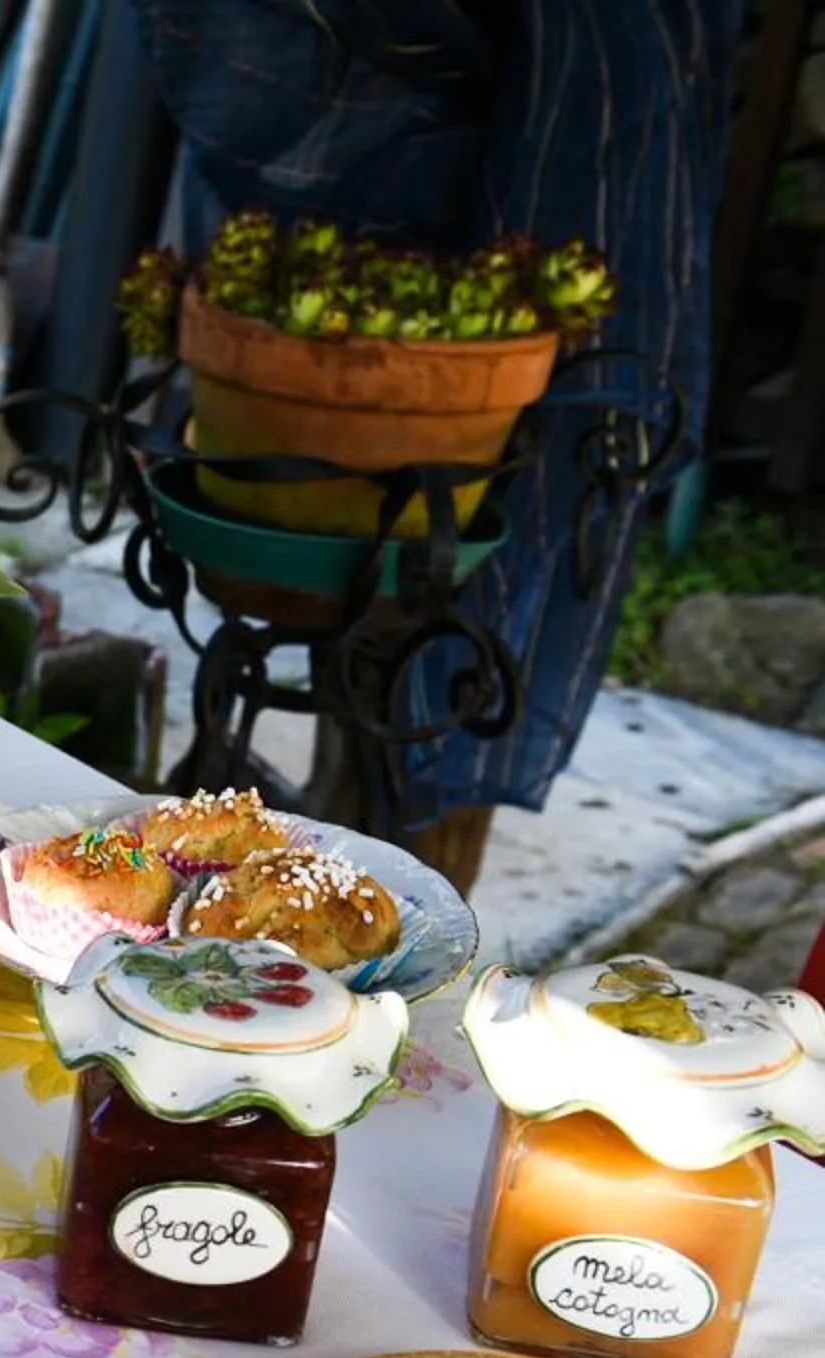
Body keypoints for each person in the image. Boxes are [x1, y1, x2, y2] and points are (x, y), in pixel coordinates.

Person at [136, 0, 748, 883]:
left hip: (482, 381)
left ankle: (411, 899)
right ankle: (325, 851)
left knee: (464, 639)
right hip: (315, 302)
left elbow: (602, 181)